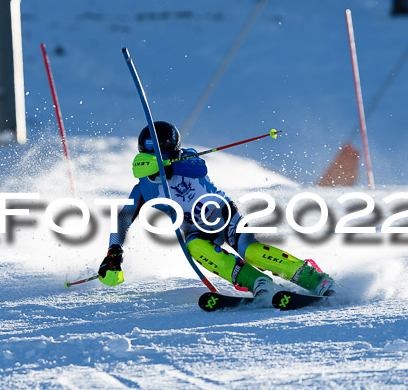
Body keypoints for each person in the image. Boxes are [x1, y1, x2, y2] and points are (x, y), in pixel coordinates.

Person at [97, 121, 334, 300]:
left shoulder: (188, 157)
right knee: (196, 248)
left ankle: (313, 278)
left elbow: (199, 169)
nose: (159, 156)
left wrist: (172, 165)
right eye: (152, 151)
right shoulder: (143, 189)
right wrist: (113, 251)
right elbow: (123, 218)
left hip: (223, 215)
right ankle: (259, 283)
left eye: (164, 150)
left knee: (250, 251)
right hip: (194, 230)